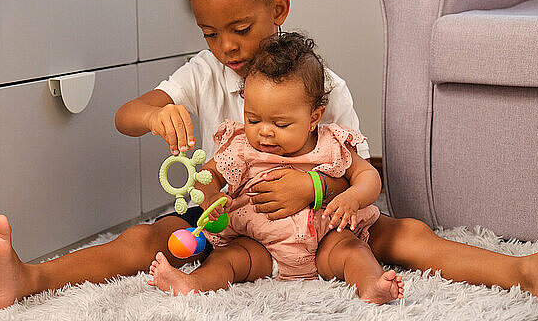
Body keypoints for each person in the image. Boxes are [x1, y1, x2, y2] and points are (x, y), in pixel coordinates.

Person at [0, 0, 538, 310]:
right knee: (146, 239)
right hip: (232, 227)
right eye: (210, 32)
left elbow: (359, 166)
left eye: (241, 29)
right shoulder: (204, 73)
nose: (226, 46)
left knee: (401, 235)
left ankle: (525, 271)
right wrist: (159, 114)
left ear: (277, 10)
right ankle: (29, 281)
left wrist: (316, 185)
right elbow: (128, 114)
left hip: (323, 230)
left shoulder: (320, 85)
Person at [148, 32, 404, 304]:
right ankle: (192, 283)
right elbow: (207, 175)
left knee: (353, 251)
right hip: (257, 244)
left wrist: (353, 197)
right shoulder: (241, 147)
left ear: (313, 117)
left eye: (281, 124)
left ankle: (370, 285)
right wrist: (211, 196)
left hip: (324, 243)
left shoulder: (330, 144)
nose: (265, 132)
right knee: (228, 259)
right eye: (253, 118)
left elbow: (368, 176)